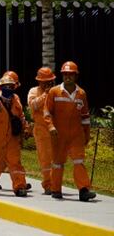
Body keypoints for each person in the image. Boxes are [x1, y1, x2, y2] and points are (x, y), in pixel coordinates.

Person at [43, 61, 96, 202]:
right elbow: (47, 112)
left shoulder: (81, 94)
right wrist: (51, 127)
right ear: (62, 76)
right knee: (58, 163)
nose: (68, 77)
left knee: (79, 161)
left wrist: (86, 134)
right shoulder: (54, 92)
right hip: (58, 134)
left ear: (76, 76)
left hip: (76, 135)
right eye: (65, 74)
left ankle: (84, 190)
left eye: (71, 74)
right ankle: (56, 189)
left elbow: (85, 116)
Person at [27, 67, 56, 194]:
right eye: (45, 81)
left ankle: (56, 183)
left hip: (54, 128)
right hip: (41, 129)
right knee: (45, 159)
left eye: (50, 81)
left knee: (57, 158)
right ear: (39, 81)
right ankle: (48, 184)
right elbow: (33, 105)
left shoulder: (56, 92)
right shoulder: (34, 91)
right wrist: (45, 94)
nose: (47, 84)